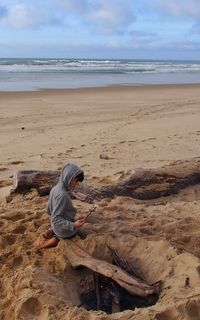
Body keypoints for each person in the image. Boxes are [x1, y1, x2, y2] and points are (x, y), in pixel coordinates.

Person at [38, 163, 86, 249]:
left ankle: (52, 230)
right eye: (76, 181)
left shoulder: (55, 188)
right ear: (69, 178)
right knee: (79, 232)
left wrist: (54, 225)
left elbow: (48, 210)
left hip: (54, 225)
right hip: (64, 231)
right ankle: (56, 239)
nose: (77, 184)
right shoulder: (62, 195)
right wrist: (74, 225)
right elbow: (56, 219)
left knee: (73, 221)